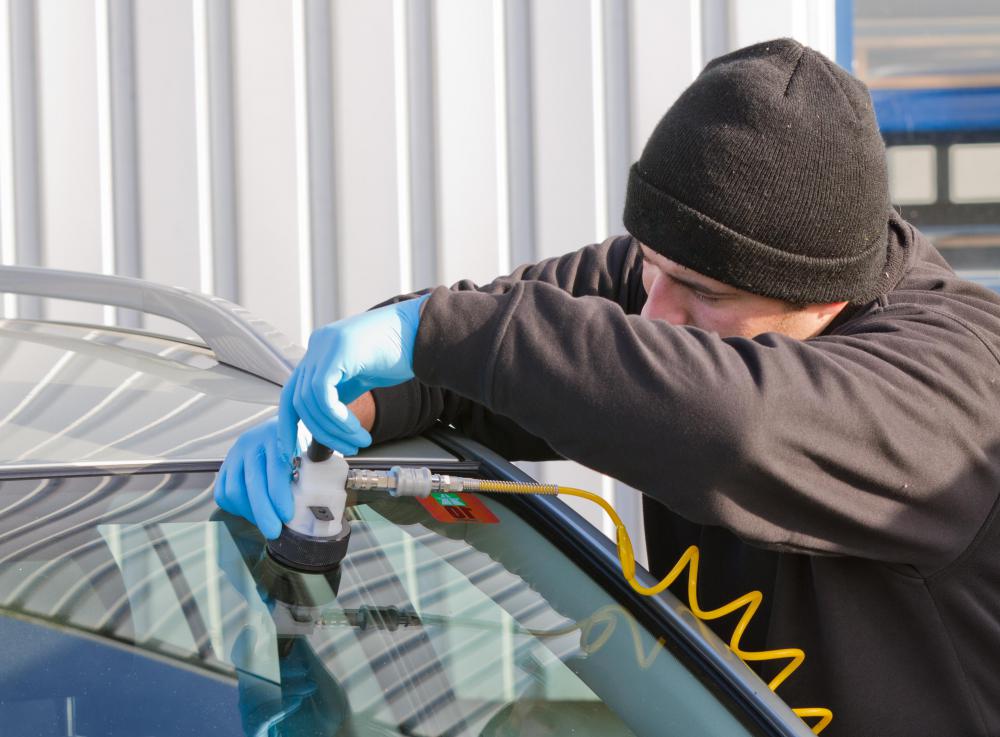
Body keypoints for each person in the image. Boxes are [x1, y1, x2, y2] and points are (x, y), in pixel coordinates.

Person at [216, 38, 1000, 735]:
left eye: (698, 293)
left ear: (822, 300)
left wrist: (439, 334)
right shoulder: (692, 273)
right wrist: (337, 417)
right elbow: (487, 353)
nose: (653, 311)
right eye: (648, 267)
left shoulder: (952, 390)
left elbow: (730, 423)